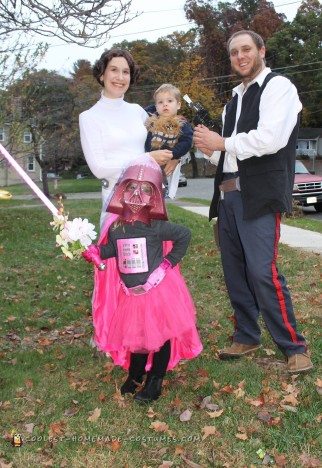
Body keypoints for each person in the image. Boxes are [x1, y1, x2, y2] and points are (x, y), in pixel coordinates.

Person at [194, 30, 313, 374]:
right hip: (228, 196)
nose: (240, 56)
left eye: (246, 49)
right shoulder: (232, 101)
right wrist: (211, 147)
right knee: (235, 273)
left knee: (262, 272)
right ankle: (246, 335)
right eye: (234, 53)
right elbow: (228, 153)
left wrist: (222, 142)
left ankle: (294, 346)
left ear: (261, 50)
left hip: (258, 195)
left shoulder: (279, 88)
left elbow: (270, 139)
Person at [82, 154, 202, 403]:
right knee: (137, 335)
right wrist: (96, 252)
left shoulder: (155, 227)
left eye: (146, 189)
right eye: (132, 188)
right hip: (131, 294)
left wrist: (170, 262)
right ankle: (135, 374)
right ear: (122, 191)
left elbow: (184, 235)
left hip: (157, 291)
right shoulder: (117, 228)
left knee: (161, 335)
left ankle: (155, 380)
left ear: (155, 196)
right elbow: (114, 250)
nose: (137, 195)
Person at [79, 49, 173, 228]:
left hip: (149, 196)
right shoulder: (89, 117)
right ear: (101, 75)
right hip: (117, 203)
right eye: (114, 70)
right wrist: (146, 160)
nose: (120, 77)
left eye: (126, 72)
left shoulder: (138, 111)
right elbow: (99, 168)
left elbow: (159, 142)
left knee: (152, 254)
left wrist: (174, 156)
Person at [145, 84, 193, 197]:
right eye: (160, 102)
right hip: (146, 160)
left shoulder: (181, 123)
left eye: (170, 101)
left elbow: (186, 141)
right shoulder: (152, 120)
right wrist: (156, 106)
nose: (165, 104)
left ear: (179, 105)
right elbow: (141, 111)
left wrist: (173, 154)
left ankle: (159, 194)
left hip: (164, 160)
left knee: (155, 189)